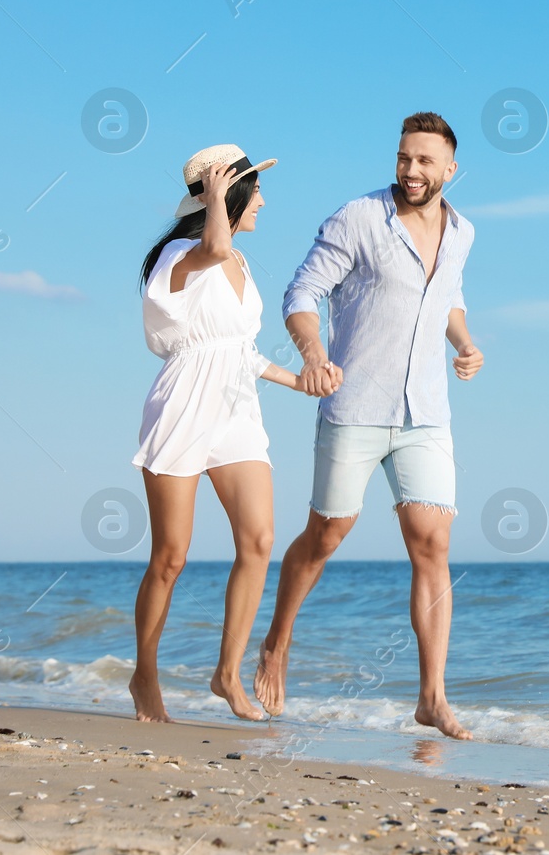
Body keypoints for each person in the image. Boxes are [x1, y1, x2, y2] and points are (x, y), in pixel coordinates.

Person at [255, 111, 482, 739]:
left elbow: (448, 299)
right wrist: (313, 355)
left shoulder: (462, 233)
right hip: (355, 407)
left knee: (432, 544)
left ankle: (432, 697)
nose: (411, 170)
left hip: (425, 413)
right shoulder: (357, 218)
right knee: (327, 536)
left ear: (450, 169)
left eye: (425, 161)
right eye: (405, 158)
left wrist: (464, 342)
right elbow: (301, 293)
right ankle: (277, 640)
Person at [130, 145, 330, 723]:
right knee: (170, 556)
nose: (263, 201)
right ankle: (145, 674)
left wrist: (300, 380)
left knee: (260, 540)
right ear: (226, 195)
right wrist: (216, 197)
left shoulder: (240, 263)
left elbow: (241, 352)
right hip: (184, 405)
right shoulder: (182, 253)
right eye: (255, 190)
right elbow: (212, 246)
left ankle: (226, 672)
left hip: (237, 409)